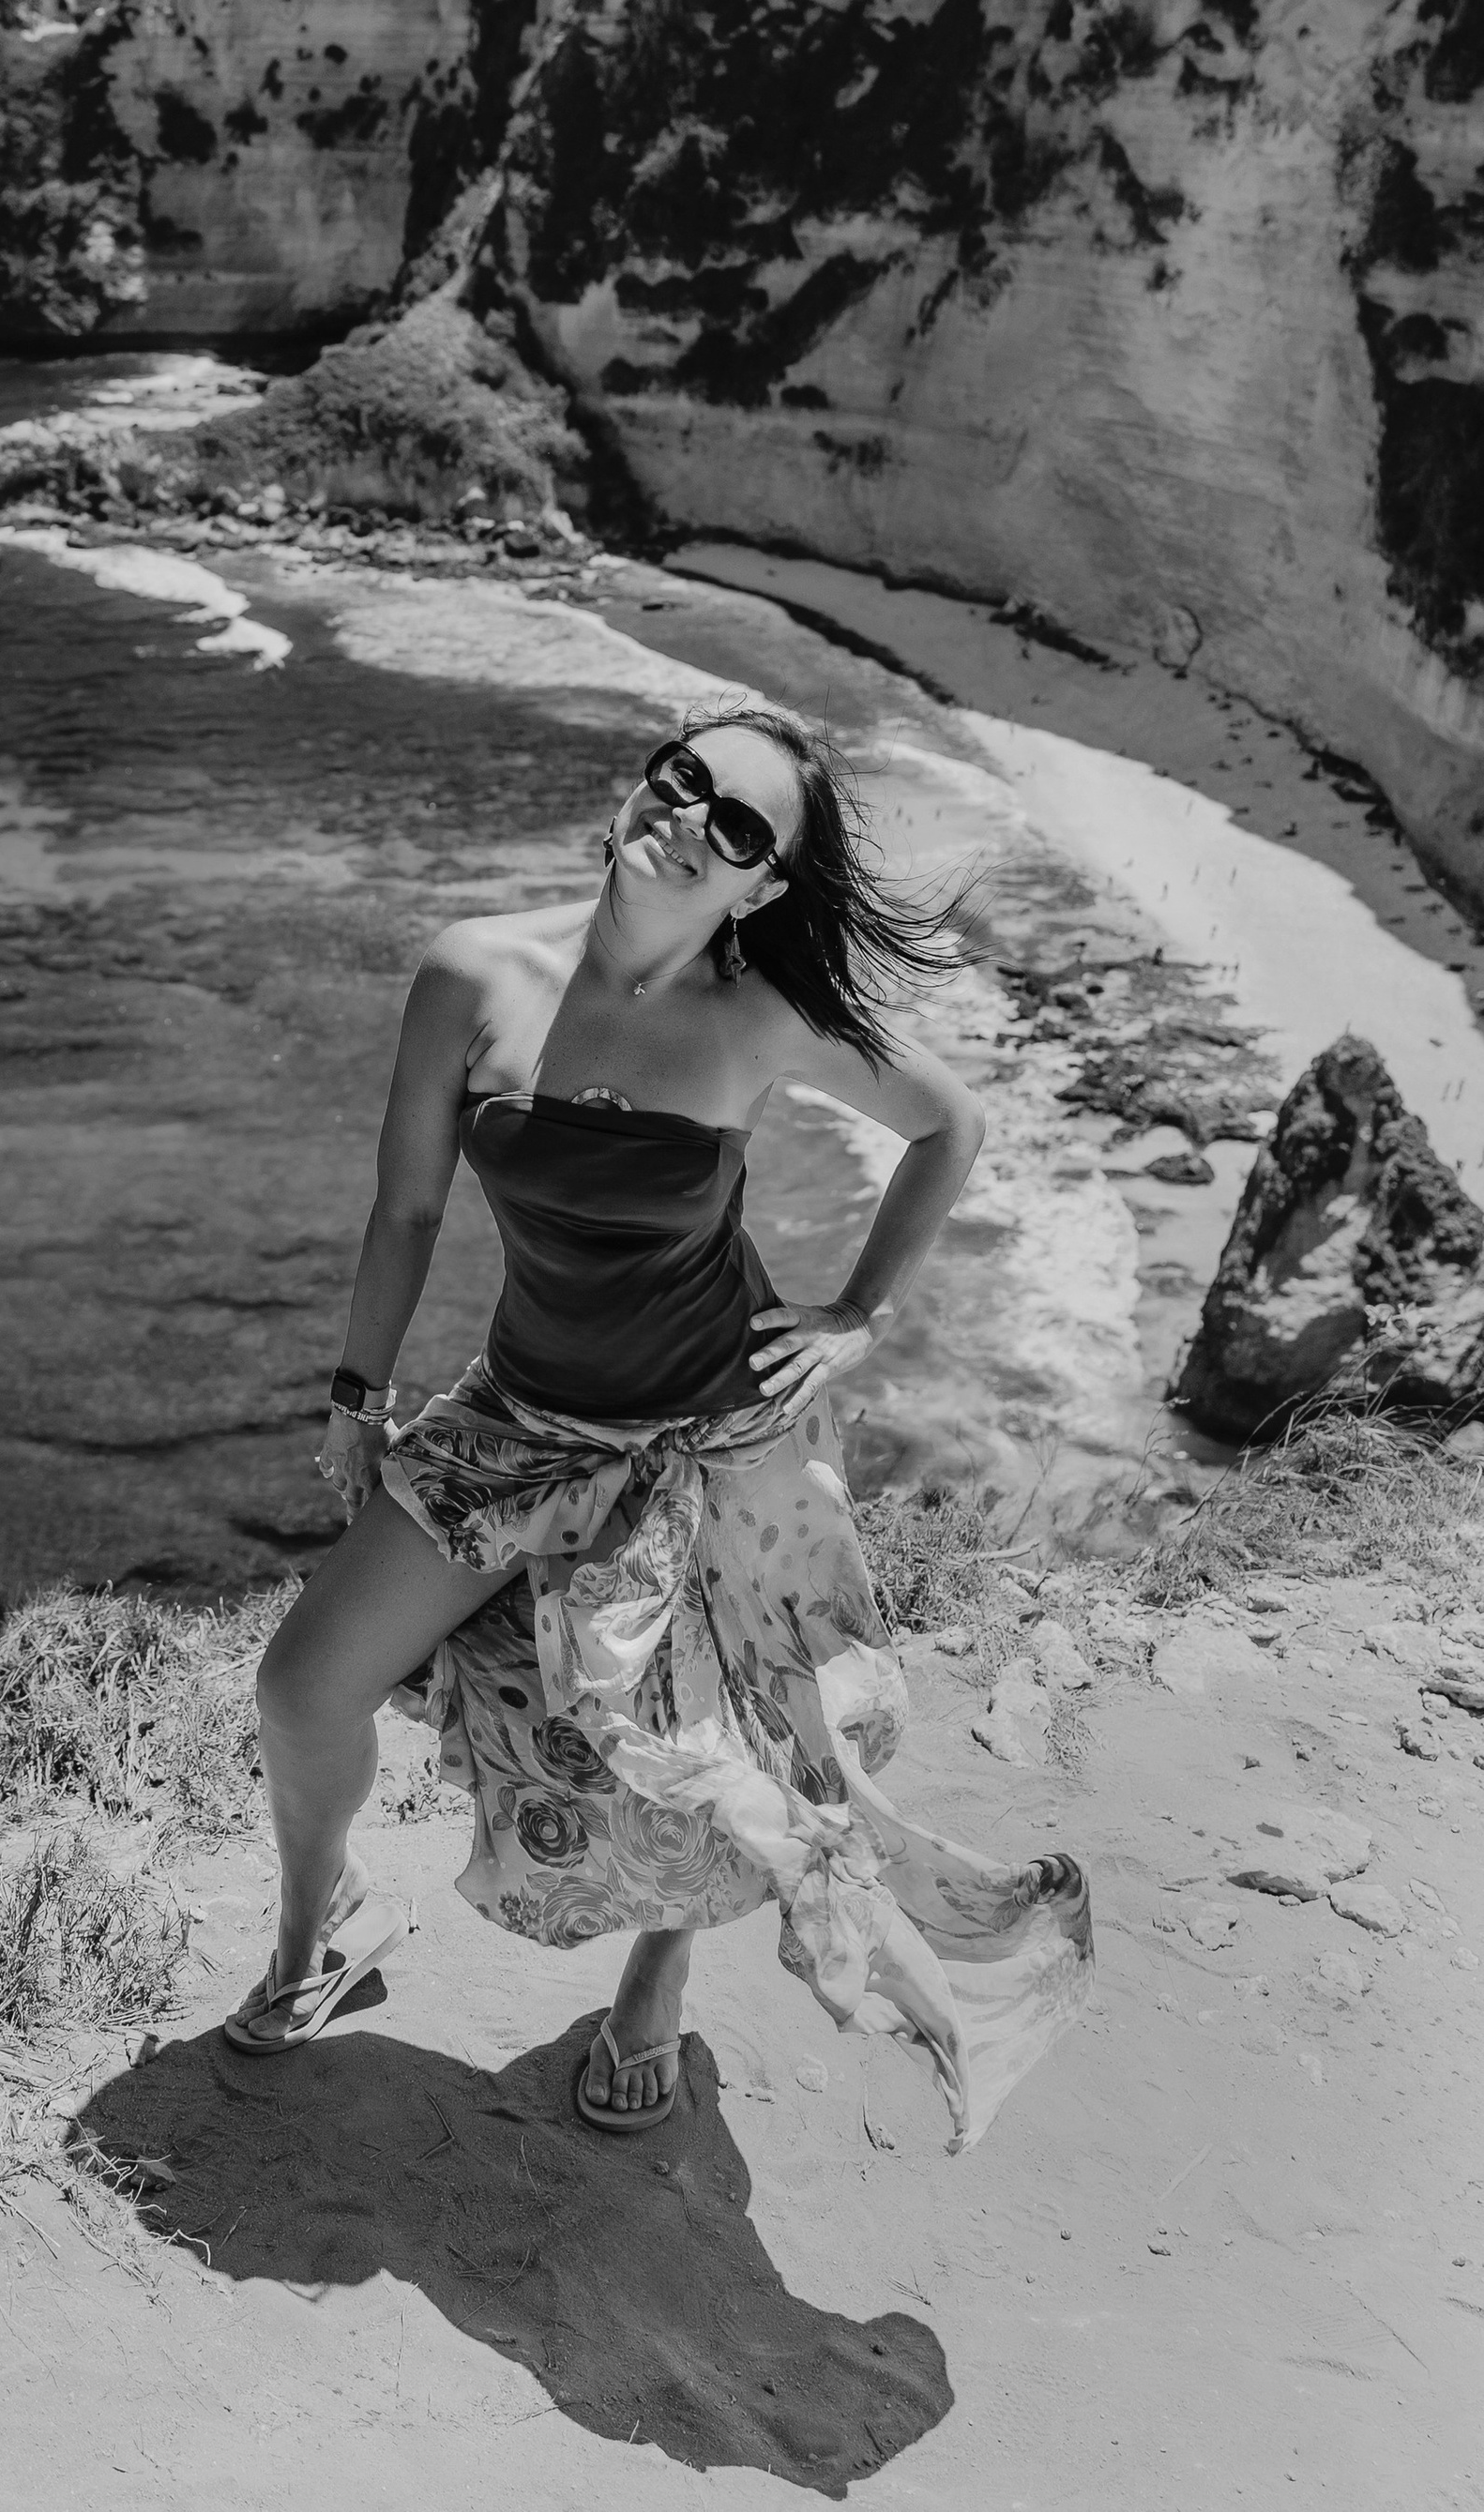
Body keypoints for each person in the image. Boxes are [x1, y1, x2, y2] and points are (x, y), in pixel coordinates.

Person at [226, 702, 1092, 2150]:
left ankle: (661, 1966)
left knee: (714, 1755)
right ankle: (324, 1928)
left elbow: (953, 1128)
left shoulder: (759, 1018)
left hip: (710, 1435)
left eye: (738, 825)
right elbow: (410, 1206)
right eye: (683, 781)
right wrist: (358, 1396)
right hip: (522, 1419)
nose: (689, 818)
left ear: (759, 885)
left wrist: (860, 1312)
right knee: (302, 1690)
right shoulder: (474, 971)